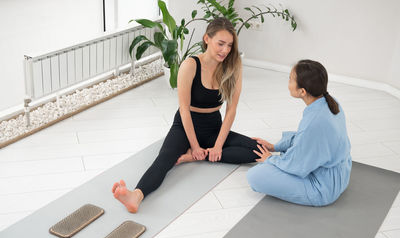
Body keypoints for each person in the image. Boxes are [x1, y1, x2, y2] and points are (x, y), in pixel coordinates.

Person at [112, 17, 261, 213]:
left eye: (229, 45)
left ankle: (196, 157)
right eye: (220, 44)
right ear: (207, 38)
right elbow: (184, 108)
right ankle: (136, 195)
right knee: (165, 157)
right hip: (185, 124)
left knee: (258, 151)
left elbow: (231, 110)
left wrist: (216, 147)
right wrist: (195, 146)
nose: (225, 50)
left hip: (213, 126)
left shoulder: (233, 66)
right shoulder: (190, 65)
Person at [247, 59, 352, 207]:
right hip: (342, 174)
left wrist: (270, 159)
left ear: (302, 91)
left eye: (290, 79)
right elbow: (305, 139)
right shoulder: (331, 102)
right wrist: (275, 146)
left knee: (254, 176)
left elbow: (296, 165)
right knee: (290, 150)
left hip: (323, 189)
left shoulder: (314, 122)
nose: (288, 82)